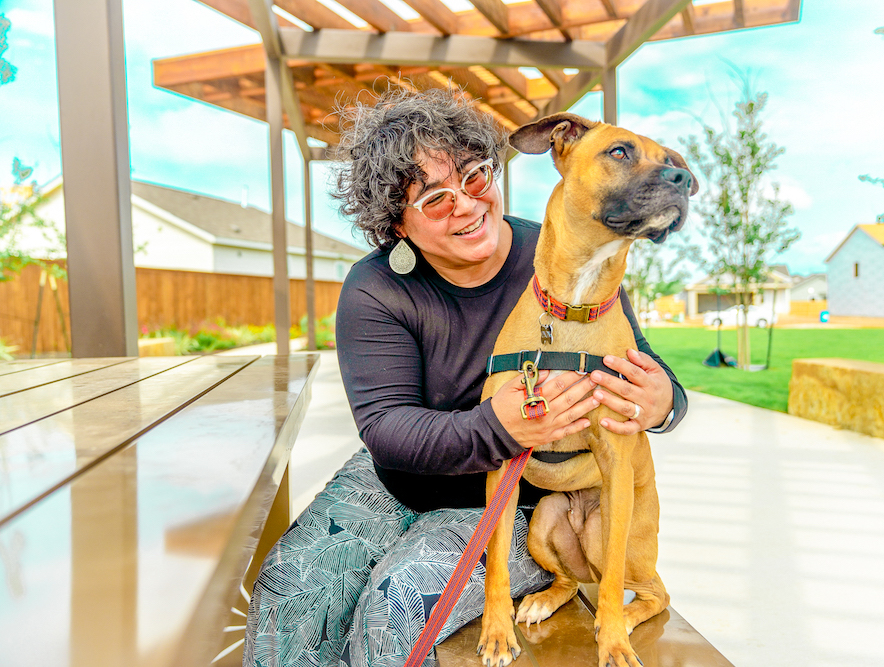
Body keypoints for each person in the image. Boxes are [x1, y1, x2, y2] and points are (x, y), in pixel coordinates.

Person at [243, 87, 687, 667]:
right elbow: (386, 427)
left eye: (475, 177)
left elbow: (641, 364)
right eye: (433, 199)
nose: (466, 205)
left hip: (525, 499)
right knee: (292, 588)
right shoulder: (375, 288)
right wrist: (496, 426)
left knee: (395, 606)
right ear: (395, 224)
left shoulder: (561, 251)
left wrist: (666, 404)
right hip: (398, 479)